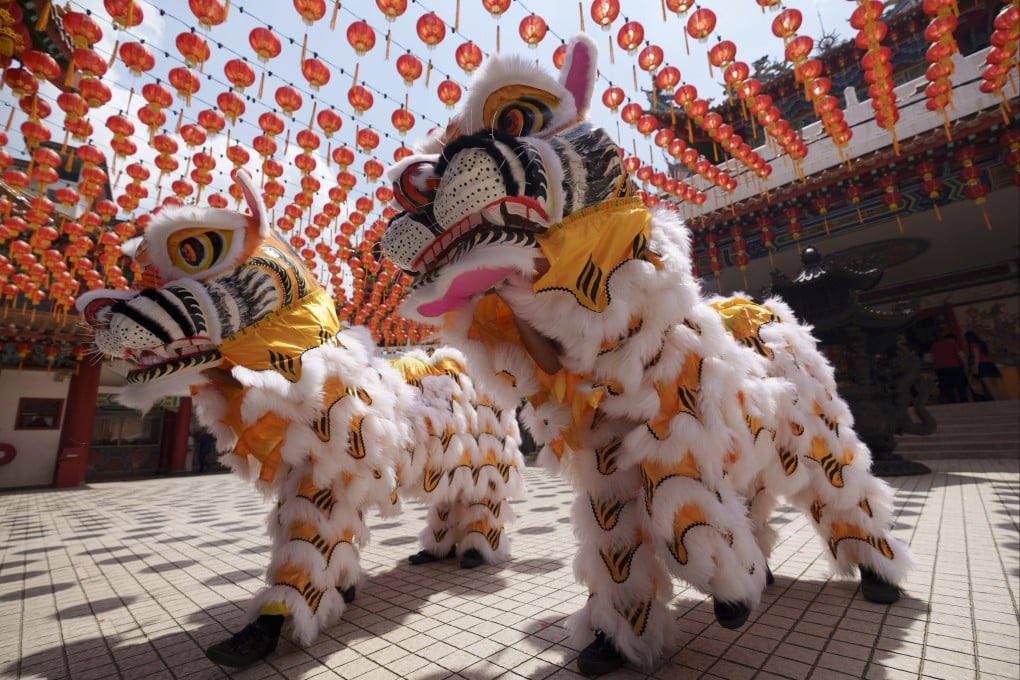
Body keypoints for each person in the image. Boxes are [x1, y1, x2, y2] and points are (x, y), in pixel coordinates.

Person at [965, 330, 1006, 401]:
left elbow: (976, 355)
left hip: (982, 365)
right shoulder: (982, 343)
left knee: (989, 386)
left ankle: (997, 400)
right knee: (995, 386)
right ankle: (1001, 399)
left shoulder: (973, 344)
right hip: (989, 364)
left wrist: (976, 367)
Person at [930, 332, 971, 403]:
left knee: (947, 386)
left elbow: (931, 358)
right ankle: (963, 400)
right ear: (952, 339)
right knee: (960, 385)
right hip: (954, 367)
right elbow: (962, 356)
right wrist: (966, 367)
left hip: (940, 368)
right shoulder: (953, 344)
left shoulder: (935, 345)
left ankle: (952, 401)